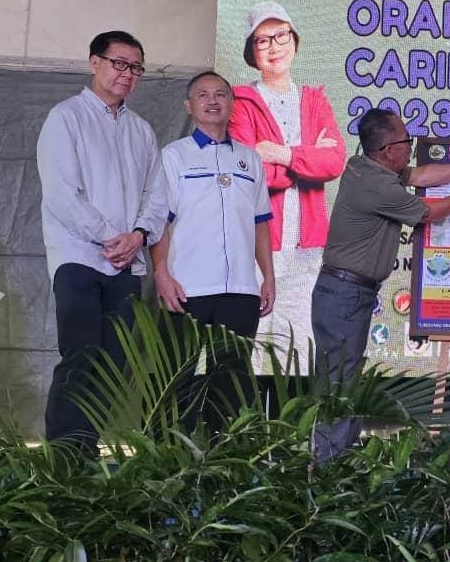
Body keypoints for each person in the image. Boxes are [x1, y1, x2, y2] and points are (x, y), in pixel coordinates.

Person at [311, 108, 450, 452]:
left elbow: (423, 174)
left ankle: (330, 457)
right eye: (406, 141)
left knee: (341, 379)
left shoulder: (363, 165)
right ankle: (326, 463)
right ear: (387, 151)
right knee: (339, 384)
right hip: (345, 295)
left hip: (344, 293)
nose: (411, 147)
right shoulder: (377, 184)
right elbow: (427, 213)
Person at [37, 30, 168, 454]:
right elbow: (61, 193)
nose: (127, 74)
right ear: (94, 63)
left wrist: (139, 236)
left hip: (126, 264)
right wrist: (110, 237)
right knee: (79, 357)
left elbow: (156, 195)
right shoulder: (66, 117)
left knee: (113, 364)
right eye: (119, 63)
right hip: (78, 259)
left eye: (136, 68)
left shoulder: (142, 130)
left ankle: (86, 447)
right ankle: (64, 457)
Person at [151, 71, 276, 432]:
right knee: (176, 380)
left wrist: (267, 276)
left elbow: (260, 223)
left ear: (232, 104)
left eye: (220, 94)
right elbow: (160, 221)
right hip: (186, 289)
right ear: (189, 106)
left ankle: (225, 463)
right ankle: (169, 461)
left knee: (232, 382)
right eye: (203, 95)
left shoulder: (250, 161)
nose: (212, 101)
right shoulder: (174, 156)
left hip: (240, 291)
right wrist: (162, 272)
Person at [229, 2, 346, 372]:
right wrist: (306, 160)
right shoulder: (241, 103)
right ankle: (247, 428)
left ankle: (292, 430)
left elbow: (335, 162)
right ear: (252, 52)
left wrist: (279, 153)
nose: (274, 47)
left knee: (298, 345)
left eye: (281, 36)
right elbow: (251, 171)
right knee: (252, 342)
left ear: (294, 41)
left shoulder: (314, 100)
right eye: (263, 40)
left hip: (307, 247)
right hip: (258, 244)